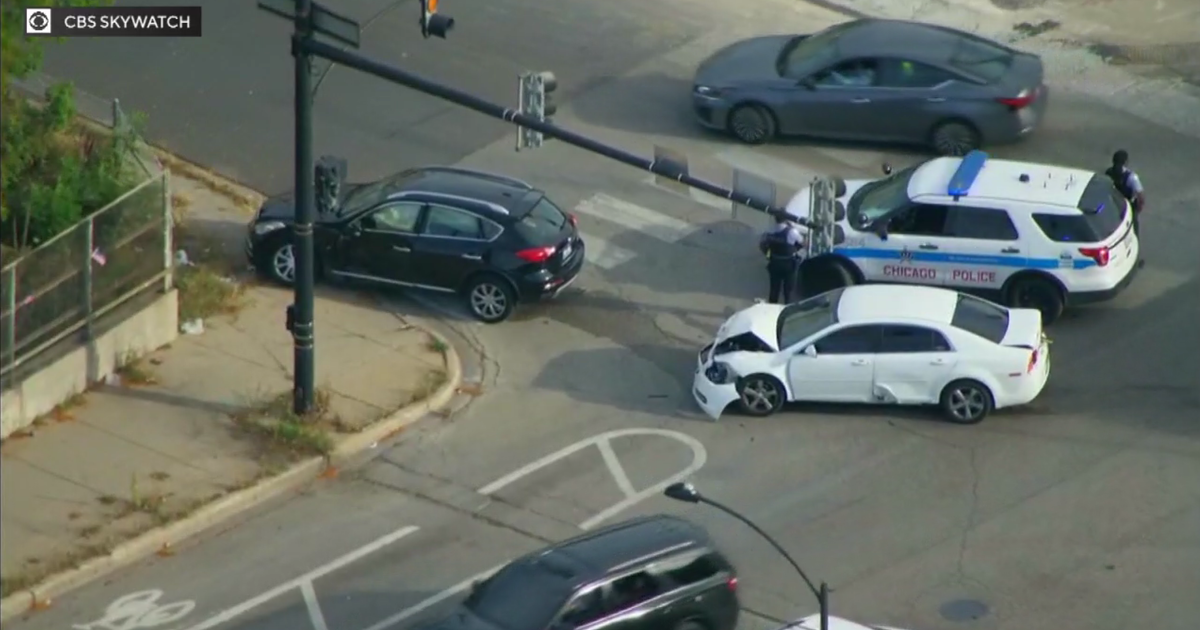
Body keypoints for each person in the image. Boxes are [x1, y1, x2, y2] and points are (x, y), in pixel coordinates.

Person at [759, 210, 806, 304]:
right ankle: (787, 311)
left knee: (774, 290)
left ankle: (771, 311)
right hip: (789, 264)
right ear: (786, 219)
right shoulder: (792, 232)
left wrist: (769, 255)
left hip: (774, 263)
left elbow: (762, 245)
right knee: (789, 292)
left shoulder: (769, 230)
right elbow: (804, 243)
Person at [1105, 149, 1146, 235]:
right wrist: (1138, 209)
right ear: (1126, 162)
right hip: (1128, 207)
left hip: (1112, 206)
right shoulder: (1131, 177)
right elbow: (1140, 196)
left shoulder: (1108, 172)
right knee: (1133, 229)